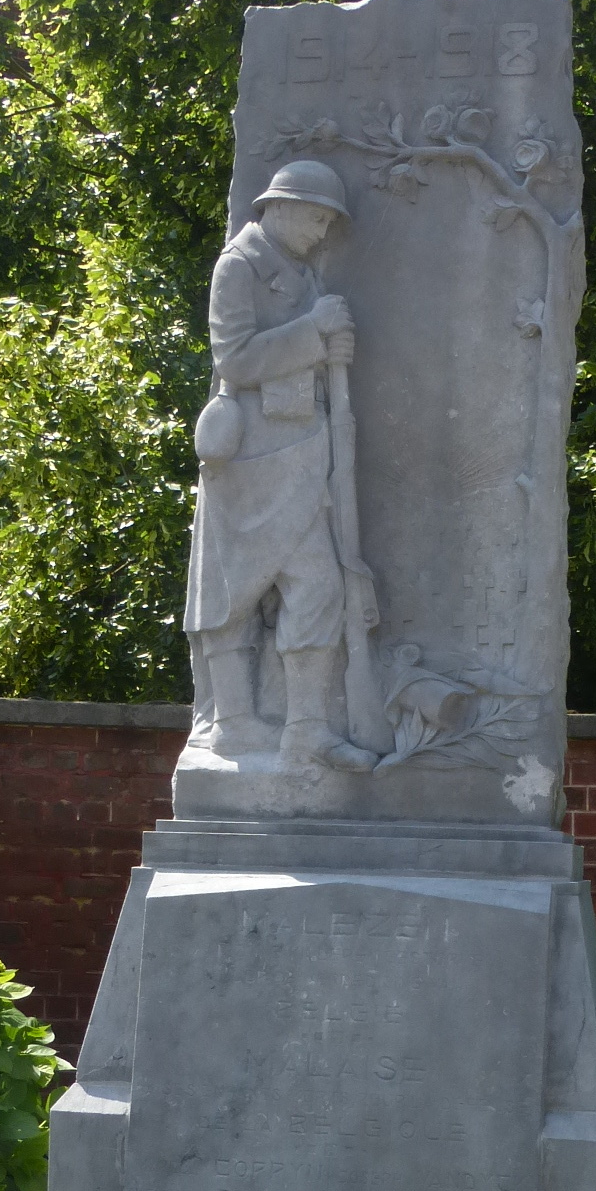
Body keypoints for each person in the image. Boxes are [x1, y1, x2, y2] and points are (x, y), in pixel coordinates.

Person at [184, 157, 377, 770]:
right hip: (251, 457)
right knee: (234, 588)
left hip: (300, 452)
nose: (321, 233)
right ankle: (233, 723)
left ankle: (307, 731)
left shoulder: (300, 271)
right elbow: (234, 360)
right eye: (316, 219)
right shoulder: (239, 265)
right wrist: (313, 334)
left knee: (317, 585)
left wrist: (328, 344)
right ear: (282, 207)